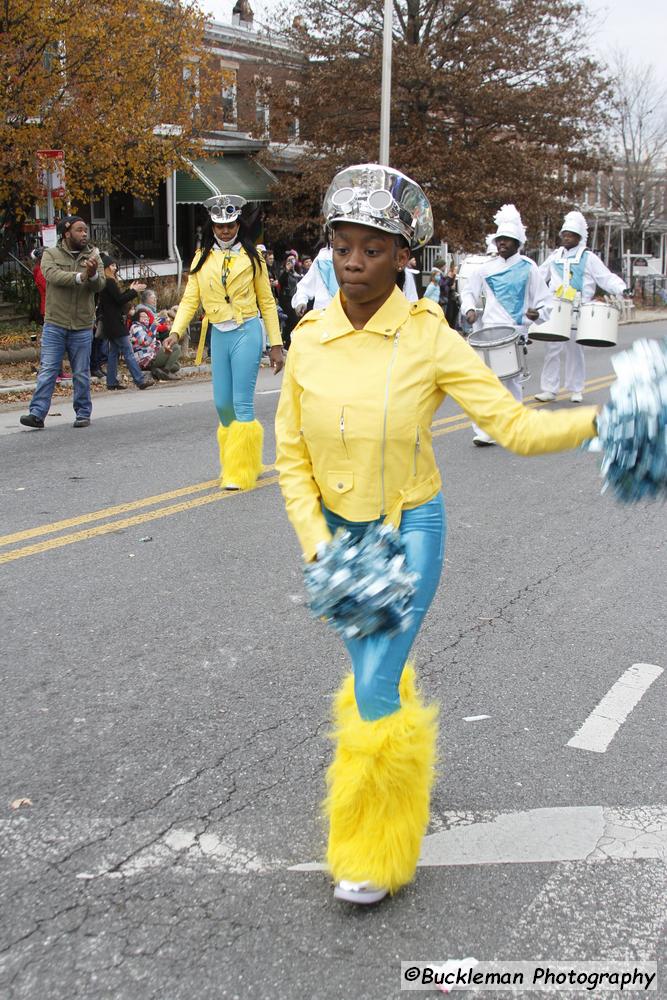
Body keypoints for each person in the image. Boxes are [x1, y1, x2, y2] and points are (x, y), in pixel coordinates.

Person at [274, 163, 599, 907]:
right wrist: (318, 547)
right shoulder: (311, 337)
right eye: (341, 245)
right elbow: (289, 456)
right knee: (372, 685)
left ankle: (368, 850)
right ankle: (399, 807)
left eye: (372, 248)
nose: (353, 262)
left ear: (403, 256)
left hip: (407, 531)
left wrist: (602, 422)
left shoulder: (429, 338)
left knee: (375, 684)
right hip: (337, 545)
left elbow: (512, 427)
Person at [165, 194, 284, 490]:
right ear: (212, 228)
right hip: (219, 332)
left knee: (242, 403)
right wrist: (175, 332)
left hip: (247, 329)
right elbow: (190, 299)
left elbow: (267, 302)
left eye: (230, 225)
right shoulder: (201, 258)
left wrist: (276, 345)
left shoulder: (253, 257)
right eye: (220, 226)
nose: (225, 231)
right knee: (222, 404)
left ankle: (240, 471)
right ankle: (241, 460)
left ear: (238, 225)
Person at [460, 204, 550, 446]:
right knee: (484, 383)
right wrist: (468, 309)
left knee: (511, 382)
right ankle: (486, 430)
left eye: (507, 240)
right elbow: (468, 291)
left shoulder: (529, 267)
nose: (502, 244)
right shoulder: (485, 267)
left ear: (517, 243)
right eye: (500, 239)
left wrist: (536, 313)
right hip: (488, 330)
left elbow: (544, 299)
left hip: (515, 332)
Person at [20, 216, 105, 430]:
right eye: (79, 230)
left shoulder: (93, 256)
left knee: (81, 372)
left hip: (82, 324)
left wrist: (93, 275)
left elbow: (100, 285)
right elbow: (52, 276)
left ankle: (83, 414)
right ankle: (37, 414)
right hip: (55, 323)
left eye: (85, 230)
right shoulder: (51, 254)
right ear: (66, 233)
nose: (84, 234)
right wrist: (81, 276)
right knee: (48, 369)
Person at [534, 210, 626, 404]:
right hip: (557, 308)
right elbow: (539, 277)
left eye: (571, 234)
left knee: (575, 350)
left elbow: (604, 277)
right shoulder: (554, 256)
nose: (566, 237)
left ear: (579, 237)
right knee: (552, 348)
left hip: (579, 308)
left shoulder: (589, 257)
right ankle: (549, 389)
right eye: (564, 234)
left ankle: (575, 388)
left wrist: (621, 288)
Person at [97, 255, 152, 391]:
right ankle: (139, 380)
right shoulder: (109, 282)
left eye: (115, 265)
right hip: (115, 323)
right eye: (112, 265)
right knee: (128, 351)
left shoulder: (105, 282)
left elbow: (117, 298)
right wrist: (134, 291)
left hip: (110, 322)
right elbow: (120, 300)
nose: (115, 268)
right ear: (106, 267)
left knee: (113, 352)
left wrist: (130, 290)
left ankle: (111, 382)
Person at [130, 306, 181, 380]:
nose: (146, 318)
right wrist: (153, 327)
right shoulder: (136, 327)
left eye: (147, 317)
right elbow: (145, 342)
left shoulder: (146, 328)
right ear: (137, 318)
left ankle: (157, 370)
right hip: (145, 359)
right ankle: (165, 372)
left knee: (176, 366)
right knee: (176, 347)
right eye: (143, 316)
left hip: (152, 355)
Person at [292, 246, 339, 317]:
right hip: (323, 314)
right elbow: (305, 286)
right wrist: (301, 301)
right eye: (330, 234)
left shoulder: (356, 257)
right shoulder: (321, 259)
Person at [277, 254, 300, 347]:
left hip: (294, 298)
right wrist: (286, 270)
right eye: (289, 260)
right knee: (290, 320)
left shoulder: (296, 271)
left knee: (294, 321)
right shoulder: (283, 271)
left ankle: (290, 341)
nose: (291, 262)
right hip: (286, 300)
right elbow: (280, 281)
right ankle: (286, 341)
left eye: (293, 260)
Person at [442, 263, 460, 329]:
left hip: (455, 297)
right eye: (455, 269)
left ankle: (453, 327)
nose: (456, 270)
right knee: (450, 314)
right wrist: (451, 287)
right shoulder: (449, 276)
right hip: (450, 297)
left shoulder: (456, 276)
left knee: (455, 313)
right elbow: (446, 286)